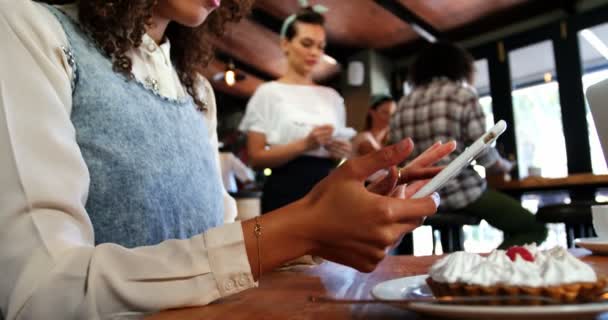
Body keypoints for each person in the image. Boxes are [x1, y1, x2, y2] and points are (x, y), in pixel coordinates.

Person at [0, 1, 455, 319]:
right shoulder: (31, 30)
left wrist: (321, 234)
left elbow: (218, 243)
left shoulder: (197, 91)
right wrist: (303, 225)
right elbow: (39, 293)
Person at [391, 41, 548, 249]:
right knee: (534, 228)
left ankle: (460, 268)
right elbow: (484, 153)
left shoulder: (402, 104)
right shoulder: (462, 95)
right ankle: (484, 270)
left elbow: (397, 155)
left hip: (418, 196)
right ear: (459, 66)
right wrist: (506, 166)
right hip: (461, 192)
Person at [238, 3, 356, 213]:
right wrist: (305, 144)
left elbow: (338, 159)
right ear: (285, 44)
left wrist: (341, 151)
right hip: (284, 190)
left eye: (320, 46)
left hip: (327, 189)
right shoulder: (268, 93)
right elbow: (255, 158)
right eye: (307, 43)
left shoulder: (333, 97)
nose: (314, 52)